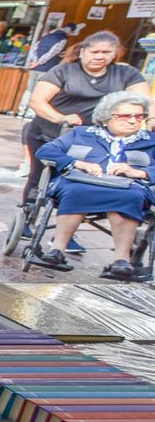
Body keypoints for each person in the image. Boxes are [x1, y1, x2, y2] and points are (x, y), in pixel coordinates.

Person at [31, 91, 155, 280]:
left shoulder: (150, 141)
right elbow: (46, 150)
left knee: (133, 196)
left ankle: (121, 260)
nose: (133, 121)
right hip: (80, 182)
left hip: (128, 187)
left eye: (139, 116)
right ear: (106, 117)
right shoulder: (81, 133)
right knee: (75, 190)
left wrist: (140, 172)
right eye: (125, 115)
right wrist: (77, 163)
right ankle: (57, 250)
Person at [21, 30, 150, 209]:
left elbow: (144, 101)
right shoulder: (64, 70)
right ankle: (29, 210)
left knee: (85, 180)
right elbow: (37, 101)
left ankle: (74, 216)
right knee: (40, 176)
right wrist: (61, 117)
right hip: (50, 133)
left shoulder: (125, 73)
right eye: (94, 52)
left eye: (106, 52)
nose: (99, 56)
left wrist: (150, 118)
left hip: (91, 139)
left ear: (114, 54)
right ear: (82, 51)